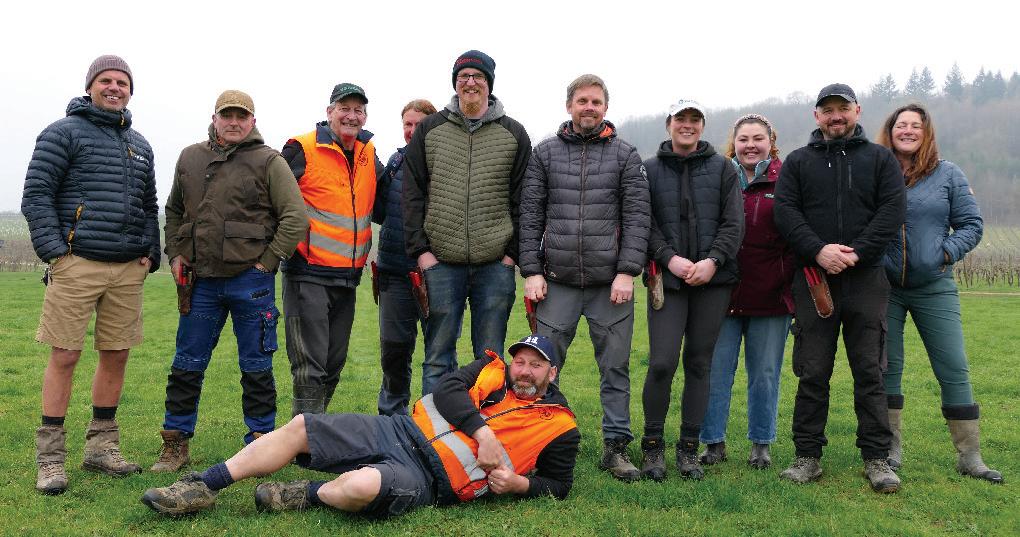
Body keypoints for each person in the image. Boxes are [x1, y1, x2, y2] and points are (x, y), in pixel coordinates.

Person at [141, 335, 580, 518]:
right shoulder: (491, 368)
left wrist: (520, 485)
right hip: (398, 429)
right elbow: (447, 390)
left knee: (359, 487)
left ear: (552, 372)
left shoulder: (560, 427)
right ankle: (204, 486)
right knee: (302, 425)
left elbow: (559, 485)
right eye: (521, 361)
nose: (524, 370)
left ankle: (304, 493)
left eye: (535, 365)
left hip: (430, 479)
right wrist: (483, 434)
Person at [22, 54, 160, 494]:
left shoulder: (140, 144)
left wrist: (150, 252)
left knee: (116, 355)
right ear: (90, 87)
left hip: (127, 268)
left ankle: (101, 448)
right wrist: (56, 253)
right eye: (106, 80)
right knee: (65, 355)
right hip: (76, 263)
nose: (114, 87)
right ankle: (50, 459)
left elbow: (149, 206)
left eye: (122, 82)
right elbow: (36, 194)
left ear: (130, 91)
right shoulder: (62, 133)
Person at [152, 90, 308, 472]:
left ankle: (260, 445)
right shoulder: (189, 157)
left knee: (256, 367)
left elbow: (295, 218)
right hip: (200, 281)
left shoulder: (269, 161)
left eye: (242, 116)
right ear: (215, 119)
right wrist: (176, 254)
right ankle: (175, 443)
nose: (234, 122)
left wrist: (267, 263)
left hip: (250, 282)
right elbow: (173, 211)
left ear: (253, 121)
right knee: (186, 363)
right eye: (227, 115)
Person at [773, 83, 905, 493]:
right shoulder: (798, 162)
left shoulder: (881, 159)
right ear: (817, 116)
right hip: (815, 281)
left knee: (870, 371)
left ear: (857, 111)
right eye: (827, 110)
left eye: (842, 109)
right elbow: (786, 212)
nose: (835, 116)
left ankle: (877, 458)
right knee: (812, 371)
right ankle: (807, 456)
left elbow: (892, 211)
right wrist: (819, 250)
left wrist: (857, 253)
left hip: (867, 280)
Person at [519, 74, 649, 481]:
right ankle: (535, 443)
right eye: (582, 101)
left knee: (615, 368)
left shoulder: (626, 155)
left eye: (596, 101)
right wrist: (531, 271)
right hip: (555, 282)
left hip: (610, 286)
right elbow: (530, 215)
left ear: (605, 107)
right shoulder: (545, 153)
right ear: (569, 106)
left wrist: (627, 272)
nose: (589, 107)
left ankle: (616, 447)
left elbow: (637, 218)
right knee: (539, 368)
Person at [876, 103, 1002, 483]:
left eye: (916, 125)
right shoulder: (874, 172)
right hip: (884, 287)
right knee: (887, 368)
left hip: (935, 286)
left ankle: (970, 457)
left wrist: (944, 253)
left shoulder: (948, 174)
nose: (908, 130)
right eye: (901, 125)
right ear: (890, 131)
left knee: (953, 366)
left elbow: (971, 225)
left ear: (926, 132)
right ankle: (889, 450)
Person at [403, 50, 532, 382]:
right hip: (440, 263)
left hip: (495, 266)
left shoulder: (514, 133)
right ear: (455, 83)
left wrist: (511, 255)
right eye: (463, 76)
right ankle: (434, 418)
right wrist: (422, 252)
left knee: (489, 359)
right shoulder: (429, 129)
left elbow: (524, 199)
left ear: (489, 83)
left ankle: (484, 416)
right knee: (437, 358)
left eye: (478, 76)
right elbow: (412, 193)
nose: (470, 82)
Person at [641, 100, 743, 481]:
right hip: (667, 281)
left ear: (702, 125)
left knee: (699, 363)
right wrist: (669, 259)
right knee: (662, 362)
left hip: (712, 281)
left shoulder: (723, 168)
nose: (687, 125)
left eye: (694, 119)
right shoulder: (649, 169)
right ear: (668, 124)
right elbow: (644, 222)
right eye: (680, 119)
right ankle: (652, 447)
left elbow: (734, 223)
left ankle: (688, 449)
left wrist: (713, 261)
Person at [280, 83, 385, 416]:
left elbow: (386, 201)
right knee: (309, 366)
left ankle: (312, 429)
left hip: (347, 277)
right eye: (344, 108)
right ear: (329, 112)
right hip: (307, 273)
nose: (351, 116)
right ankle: (303, 435)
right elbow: (271, 200)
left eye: (358, 110)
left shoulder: (368, 152)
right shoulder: (301, 148)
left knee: (333, 363)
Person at [698, 114, 794, 470]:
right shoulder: (719, 177)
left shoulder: (787, 180)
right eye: (743, 139)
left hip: (772, 295)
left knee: (765, 374)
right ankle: (713, 442)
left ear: (771, 141)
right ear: (733, 143)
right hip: (722, 294)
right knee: (716, 372)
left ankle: (761, 444)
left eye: (758, 139)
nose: (750, 145)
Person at [374, 99, 437, 416]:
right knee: (394, 352)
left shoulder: (447, 165)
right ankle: (391, 420)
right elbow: (379, 211)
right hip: (395, 272)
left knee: (438, 354)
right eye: (407, 125)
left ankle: (433, 421)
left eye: (419, 125)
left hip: (437, 276)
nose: (412, 131)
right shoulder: (396, 161)